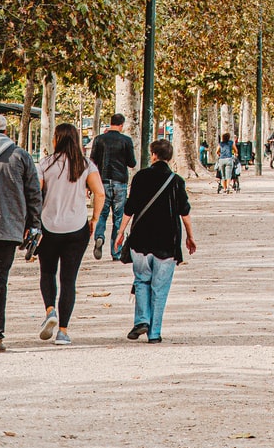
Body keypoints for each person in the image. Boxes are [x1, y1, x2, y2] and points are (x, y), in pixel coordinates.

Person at [115, 139, 195, 343]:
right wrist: (190, 237)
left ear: (153, 155)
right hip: (167, 243)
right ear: (170, 157)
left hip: (141, 240)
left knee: (142, 280)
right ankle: (154, 333)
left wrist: (121, 232)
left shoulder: (140, 177)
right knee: (160, 288)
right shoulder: (177, 181)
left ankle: (142, 319)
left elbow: (130, 207)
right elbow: (184, 212)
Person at [0, 112, 42, 353]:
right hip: (6, 228)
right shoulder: (20, 155)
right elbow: (34, 194)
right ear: (6, 133)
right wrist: (33, 224)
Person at [37, 122, 105, 346]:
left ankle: (50, 310)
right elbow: (100, 193)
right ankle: (63, 331)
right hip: (77, 228)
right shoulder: (86, 165)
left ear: (56, 139)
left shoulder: (46, 164)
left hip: (49, 227)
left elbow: (36, 193)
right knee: (69, 279)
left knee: (47, 272)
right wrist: (94, 219)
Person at [89, 113, 137, 262]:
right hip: (120, 181)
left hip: (102, 181)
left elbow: (92, 161)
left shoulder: (99, 140)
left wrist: (90, 184)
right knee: (118, 217)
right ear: (121, 125)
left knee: (102, 214)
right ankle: (115, 251)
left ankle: (99, 237)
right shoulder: (126, 140)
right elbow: (132, 163)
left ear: (110, 123)